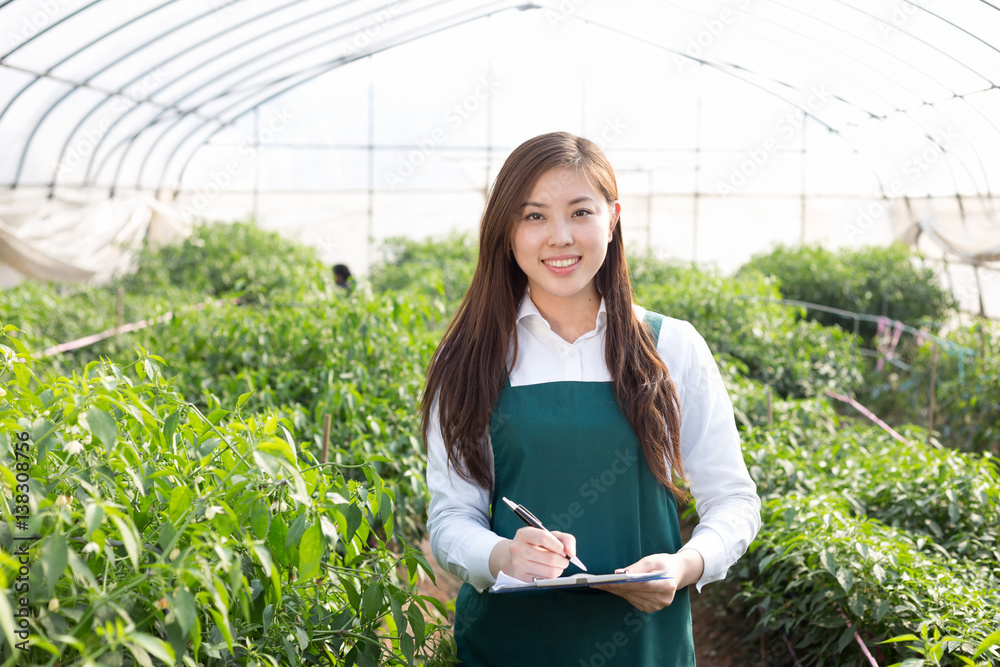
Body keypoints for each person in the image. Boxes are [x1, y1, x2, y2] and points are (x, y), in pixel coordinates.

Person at [423, 131, 761, 665]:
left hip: (645, 646)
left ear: (613, 218)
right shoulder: (470, 358)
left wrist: (685, 565)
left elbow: (734, 501)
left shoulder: (670, 346)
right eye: (533, 216)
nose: (559, 236)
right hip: (508, 646)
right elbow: (449, 518)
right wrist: (502, 554)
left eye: (580, 212)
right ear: (506, 231)